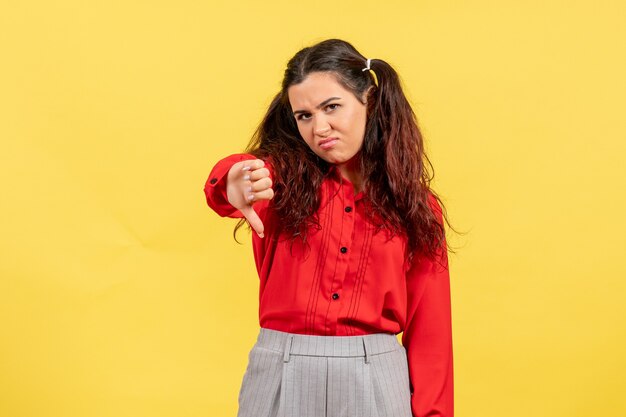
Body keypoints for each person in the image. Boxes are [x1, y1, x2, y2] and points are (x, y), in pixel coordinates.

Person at [204, 38, 455, 417]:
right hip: (281, 371)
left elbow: (431, 333)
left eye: (331, 107)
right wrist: (235, 177)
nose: (319, 127)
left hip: (376, 377)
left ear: (369, 99)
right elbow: (237, 178)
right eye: (303, 115)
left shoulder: (416, 208)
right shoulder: (280, 181)